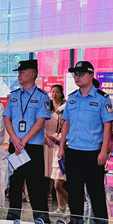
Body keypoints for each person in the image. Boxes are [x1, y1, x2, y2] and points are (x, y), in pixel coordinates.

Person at [58, 60, 113, 224]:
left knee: (96, 193)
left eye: (81, 74)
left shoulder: (102, 98)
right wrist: (61, 147)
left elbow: (107, 126)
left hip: (92, 153)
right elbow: (66, 123)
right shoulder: (72, 98)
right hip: (73, 151)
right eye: (75, 74)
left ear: (91, 75)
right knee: (74, 191)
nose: (77, 77)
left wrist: (103, 151)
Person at [3, 59, 52, 222]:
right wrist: (14, 138)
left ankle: (42, 222)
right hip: (15, 146)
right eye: (18, 72)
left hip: (32, 147)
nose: (19, 75)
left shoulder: (42, 96)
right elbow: (7, 118)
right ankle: (12, 219)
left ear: (32, 74)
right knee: (15, 185)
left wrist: (23, 140)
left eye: (22, 72)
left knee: (36, 186)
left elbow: (40, 122)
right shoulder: (14, 95)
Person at [45, 84, 68, 216]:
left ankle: (71, 206)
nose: (54, 94)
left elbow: (66, 142)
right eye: (52, 91)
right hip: (55, 153)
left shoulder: (65, 108)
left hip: (63, 156)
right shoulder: (49, 107)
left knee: (59, 184)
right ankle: (61, 207)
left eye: (57, 92)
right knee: (55, 182)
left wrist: (57, 140)